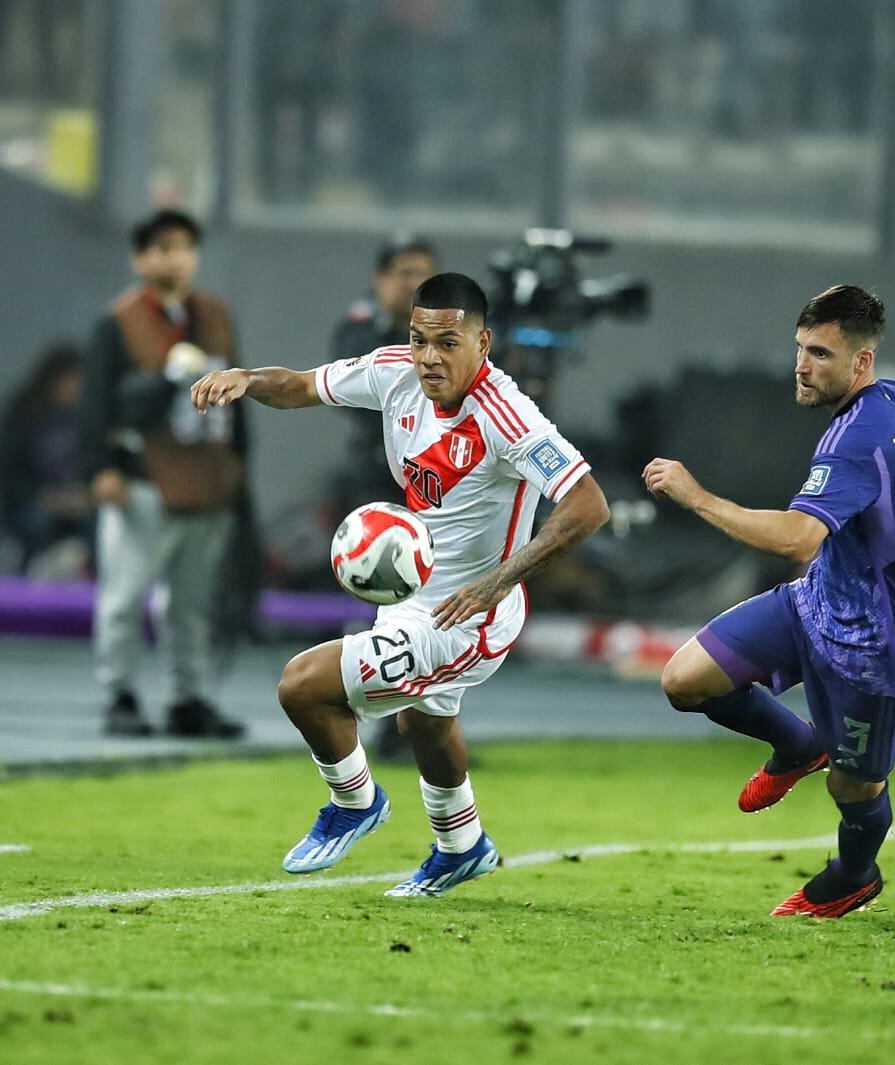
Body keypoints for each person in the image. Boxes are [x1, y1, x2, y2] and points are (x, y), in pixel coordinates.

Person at [190, 273, 609, 897]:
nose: (429, 357)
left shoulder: (508, 416)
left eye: (447, 342)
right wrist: (246, 380)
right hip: (413, 598)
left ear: (483, 343)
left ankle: (354, 801)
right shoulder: (393, 373)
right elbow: (302, 385)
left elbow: (588, 505)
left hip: (471, 616)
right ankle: (462, 845)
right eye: (419, 340)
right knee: (424, 725)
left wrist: (499, 581)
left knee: (302, 687)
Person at [646, 285, 895, 919]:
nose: (802, 366)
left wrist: (697, 497)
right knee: (685, 679)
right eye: (800, 349)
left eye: (820, 355)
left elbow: (800, 539)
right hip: (818, 605)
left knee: (853, 786)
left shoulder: (854, 439)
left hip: (880, 649)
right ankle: (800, 745)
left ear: (861, 362)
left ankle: (852, 877)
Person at [78, 209, 249, 740]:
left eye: (181, 247)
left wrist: (239, 467)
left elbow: (239, 398)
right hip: (144, 483)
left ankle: (188, 696)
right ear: (140, 258)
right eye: (159, 248)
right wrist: (101, 468)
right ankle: (120, 692)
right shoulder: (119, 320)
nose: (172, 258)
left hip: (205, 482)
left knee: (192, 605)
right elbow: (97, 405)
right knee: (125, 598)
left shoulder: (216, 315)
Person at [329, 234, 439, 763]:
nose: (413, 282)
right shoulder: (358, 329)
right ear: (380, 279)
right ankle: (365, 722)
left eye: (423, 272)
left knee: (434, 609)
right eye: (403, 272)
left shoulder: (446, 335)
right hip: (376, 484)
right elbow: (348, 400)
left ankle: (421, 723)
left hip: (432, 489)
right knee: (377, 605)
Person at [0, 341, 92, 575]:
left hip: (78, 505)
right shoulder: (24, 415)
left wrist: (84, 496)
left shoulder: (86, 419)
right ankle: (25, 583)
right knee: (38, 525)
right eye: (73, 380)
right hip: (33, 503)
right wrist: (45, 498)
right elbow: (9, 477)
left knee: (100, 526)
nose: (77, 388)